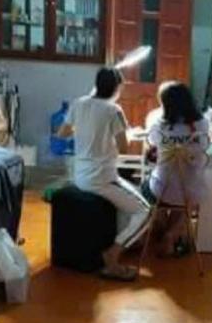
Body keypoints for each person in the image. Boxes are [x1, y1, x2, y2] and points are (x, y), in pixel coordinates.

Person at [57, 67, 151, 281]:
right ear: (117, 88)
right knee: (145, 212)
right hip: (102, 178)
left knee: (128, 202)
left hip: (80, 176)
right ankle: (112, 255)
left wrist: (87, 131)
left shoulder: (78, 103)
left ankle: (121, 243)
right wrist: (127, 133)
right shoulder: (113, 110)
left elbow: (62, 133)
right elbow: (124, 147)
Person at [144, 82, 210, 257]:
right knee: (186, 199)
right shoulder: (202, 123)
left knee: (148, 187)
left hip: (161, 188)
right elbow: (204, 146)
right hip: (191, 190)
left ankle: (161, 227)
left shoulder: (156, 122)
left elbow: (151, 147)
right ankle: (172, 234)